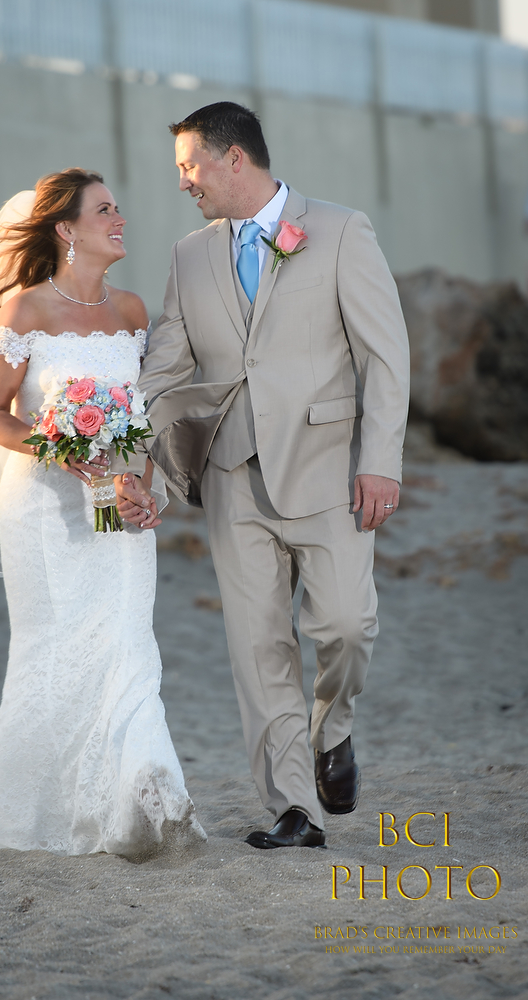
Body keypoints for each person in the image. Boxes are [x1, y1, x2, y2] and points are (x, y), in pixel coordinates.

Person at [116, 103, 410, 850]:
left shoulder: (340, 230)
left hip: (329, 470)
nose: (182, 180)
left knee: (346, 625)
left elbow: (384, 357)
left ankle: (332, 729)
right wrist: (134, 462)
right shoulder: (189, 255)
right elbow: (165, 369)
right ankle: (294, 808)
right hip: (230, 475)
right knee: (259, 647)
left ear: (234, 159)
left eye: (189, 164)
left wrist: (380, 462)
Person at [0, 168, 205, 857]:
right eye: (104, 210)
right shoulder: (24, 311)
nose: (119, 219)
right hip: (44, 507)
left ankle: (146, 798)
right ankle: (29, 817)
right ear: (66, 229)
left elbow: (143, 418)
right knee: (53, 650)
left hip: (117, 506)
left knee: (128, 642)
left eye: (117, 208)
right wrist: (58, 447)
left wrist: (141, 486)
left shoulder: (132, 311)